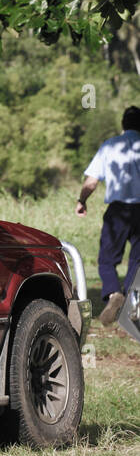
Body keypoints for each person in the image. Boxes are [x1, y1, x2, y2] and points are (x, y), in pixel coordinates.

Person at [76, 105, 140, 325]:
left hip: (118, 210)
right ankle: (133, 302)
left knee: (106, 259)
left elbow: (92, 182)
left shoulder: (110, 145)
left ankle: (114, 294)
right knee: (137, 259)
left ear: (123, 124)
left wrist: (81, 200)